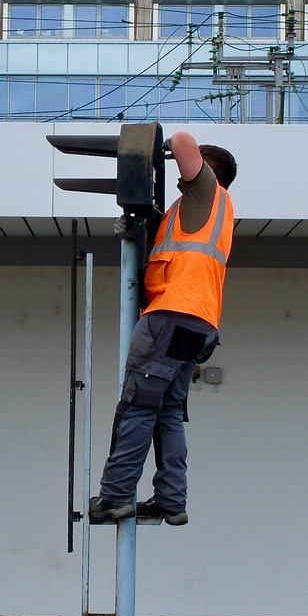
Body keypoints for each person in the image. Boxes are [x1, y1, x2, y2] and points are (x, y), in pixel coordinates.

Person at [89, 130, 237, 527]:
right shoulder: (197, 212)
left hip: (170, 317)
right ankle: (172, 501)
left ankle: (117, 496)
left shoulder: (207, 192)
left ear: (207, 171)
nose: (174, 172)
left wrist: (160, 146)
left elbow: (185, 141)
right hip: (196, 322)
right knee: (167, 410)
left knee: (137, 406)